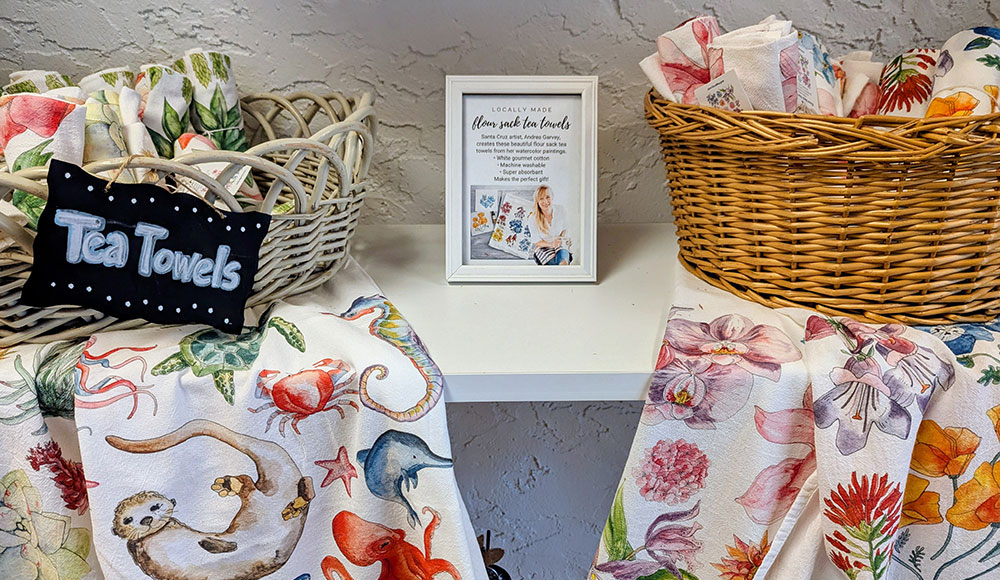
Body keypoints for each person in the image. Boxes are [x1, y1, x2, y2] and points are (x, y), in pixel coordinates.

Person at [531, 185, 572, 265]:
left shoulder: (560, 210)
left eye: (547, 197)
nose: (545, 201)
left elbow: (565, 228)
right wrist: (552, 245)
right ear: (537, 201)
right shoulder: (533, 219)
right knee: (553, 263)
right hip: (544, 247)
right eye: (541, 198)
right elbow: (537, 241)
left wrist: (560, 240)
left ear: (552, 197)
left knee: (563, 261)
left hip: (559, 243)